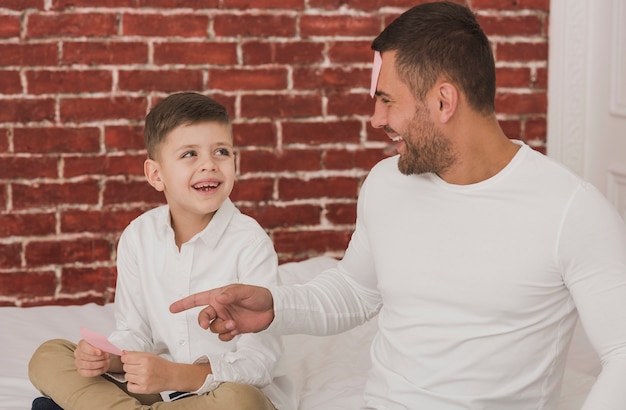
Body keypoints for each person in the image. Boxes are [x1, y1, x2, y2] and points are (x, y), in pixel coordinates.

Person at [169, 2, 626, 409]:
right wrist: (275, 307)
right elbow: (356, 290)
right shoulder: (387, 184)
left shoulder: (571, 210)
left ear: (444, 100)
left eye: (387, 100)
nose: (377, 119)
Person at [28, 92, 296, 410]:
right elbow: (133, 332)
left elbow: (259, 362)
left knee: (243, 402)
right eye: (189, 155)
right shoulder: (138, 237)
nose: (209, 164)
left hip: (220, 389)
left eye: (221, 152)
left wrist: (177, 375)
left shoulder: (250, 243)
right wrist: (107, 359)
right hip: (156, 390)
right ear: (156, 175)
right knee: (49, 356)